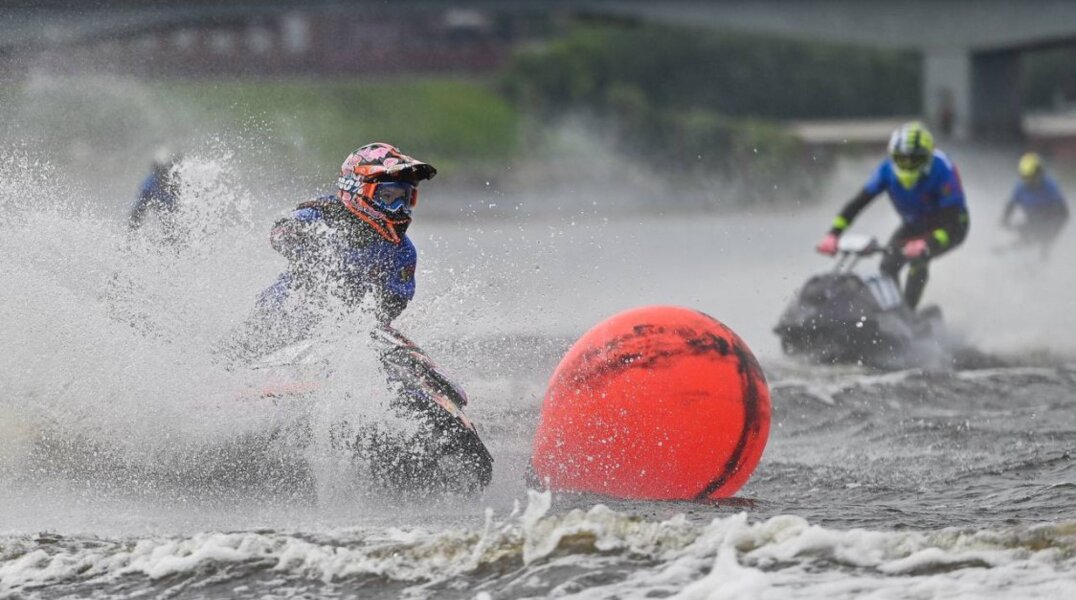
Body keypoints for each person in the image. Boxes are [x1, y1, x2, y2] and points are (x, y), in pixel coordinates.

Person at [230, 142, 437, 358]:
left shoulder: (402, 251)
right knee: (233, 353)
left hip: (334, 335)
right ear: (358, 190)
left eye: (405, 199)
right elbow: (280, 232)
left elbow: (391, 307)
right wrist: (310, 252)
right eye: (388, 198)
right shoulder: (328, 214)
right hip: (277, 318)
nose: (399, 209)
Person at [816, 121, 969, 310]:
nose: (907, 165)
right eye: (901, 159)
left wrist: (927, 243)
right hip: (915, 224)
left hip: (951, 225)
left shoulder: (943, 170)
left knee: (918, 258)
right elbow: (858, 203)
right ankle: (894, 310)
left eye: (914, 160)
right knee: (888, 265)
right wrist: (833, 234)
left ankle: (908, 314)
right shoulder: (886, 171)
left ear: (927, 158)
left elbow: (952, 223)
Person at [1000, 152, 1069, 260]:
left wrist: (1050, 231)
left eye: (1033, 177)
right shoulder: (1020, 187)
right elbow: (1010, 205)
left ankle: (1045, 256)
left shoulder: (1050, 186)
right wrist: (1005, 219)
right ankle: (1004, 251)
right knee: (1023, 236)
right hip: (1032, 218)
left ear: (1040, 173)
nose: (1031, 182)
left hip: (1050, 218)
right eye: (1027, 178)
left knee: (1042, 238)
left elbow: (1063, 213)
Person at [128, 148, 181, 241]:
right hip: (167, 217)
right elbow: (137, 213)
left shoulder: (182, 182)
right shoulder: (149, 186)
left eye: (168, 169)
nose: (164, 174)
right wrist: (131, 237)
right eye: (161, 170)